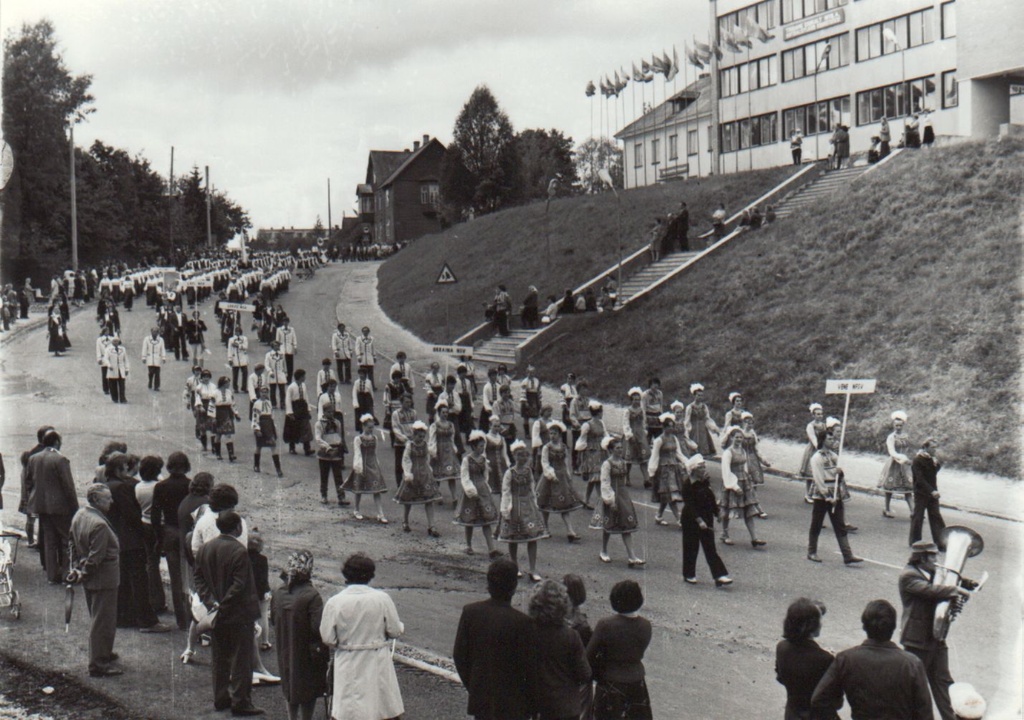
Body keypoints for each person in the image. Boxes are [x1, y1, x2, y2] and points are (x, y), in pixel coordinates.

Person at [193, 511, 265, 716]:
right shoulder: (239, 551)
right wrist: (223, 605)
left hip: (216, 613)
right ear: (237, 528)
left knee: (219, 657)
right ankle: (241, 701)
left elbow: (198, 579)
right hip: (238, 613)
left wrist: (212, 603)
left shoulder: (206, 548)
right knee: (241, 659)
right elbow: (239, 584)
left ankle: (221, 697)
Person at [812, 599, 933, 720]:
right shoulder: (912, 664)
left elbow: (819, 700)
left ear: (864, 626)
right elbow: (925, 713)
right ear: (893, 627)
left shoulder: (845, 659)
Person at [319, 553, 405, 720]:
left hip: (348, 659)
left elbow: (328, 638)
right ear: (370, 575)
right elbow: (394, 630)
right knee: (380, 708)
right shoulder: (382, 598)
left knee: (351, 710)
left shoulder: (335, 602)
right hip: (376, 659)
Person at [899, 540, 976, 720]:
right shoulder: (908, 576)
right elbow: (930, 590)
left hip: (936, 636)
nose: (937, 558)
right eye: (932, 555)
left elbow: (950, 579)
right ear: (921, 557)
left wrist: (968, 584)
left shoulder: (933, 571)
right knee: (914, 687)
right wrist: (956, 590)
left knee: (944, 682)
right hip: (916, 639)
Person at [453, 558, 538, 720]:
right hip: (514, 704)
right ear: (513, 587)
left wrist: (474, 686)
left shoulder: (471, 612)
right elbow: (530, 669)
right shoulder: (523, 623)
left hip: (482, 698)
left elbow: (460, 656)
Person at [68, 484, 123, 677]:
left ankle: (103, 652)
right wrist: (85, 570)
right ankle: (98, 664)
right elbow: (96, 556)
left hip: (91, 578)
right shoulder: (99, 524)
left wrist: (76, 567)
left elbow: (72, 543)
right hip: (104, 578)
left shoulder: (80, 514)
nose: (111, 501)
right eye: (108, 498)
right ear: (97, 501)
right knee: (103, 621)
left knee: (98, 617)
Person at [271, 550, 327, 720]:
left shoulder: (279, 592)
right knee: (307, 691)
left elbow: (273, 619)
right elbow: (318, 628)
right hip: (306, 650)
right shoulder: (312, 595)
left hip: (285, 646)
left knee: (289, 686)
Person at [587, 580, 653, 720]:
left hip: (611, 681)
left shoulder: (605, 625)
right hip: (637, 682)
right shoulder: (646, 625)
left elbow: (589, 654)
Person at [529, 580, 591, 720]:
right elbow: (585, 674)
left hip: (539, 705)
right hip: (566, 706)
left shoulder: (528, 632)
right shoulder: (570, 635)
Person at [25, 429, 78, 584]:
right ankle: (66, 573)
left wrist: (35, 497)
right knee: (66, 540)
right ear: (57, 442)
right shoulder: (60, 459)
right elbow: (68, 486)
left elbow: (28, 482)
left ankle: (51, 575)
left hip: (41, 506)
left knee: (49, 541)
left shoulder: (34, 458)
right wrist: (75, 508)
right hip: (60, 507)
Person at [807, 424, 862, 565]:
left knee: (840, 524)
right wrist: (827, 496)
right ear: (823, 440)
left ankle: (847, 555)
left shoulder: (835, 456)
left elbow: (840, 477)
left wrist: (840, 472)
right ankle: (812, 552)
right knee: (817, 523)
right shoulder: (816, 458)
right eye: (830, 439)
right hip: (822, 495)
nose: (833, 441)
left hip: (835, 492)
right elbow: (819, 480)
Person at [774, 598, 836, 719]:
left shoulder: (782, 647)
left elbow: (780, 677)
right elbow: (833, 698)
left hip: (792, 713)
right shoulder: (824, 659)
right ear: (810, 625)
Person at [151, 451, 192, 630]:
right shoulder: (190, 485)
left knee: (175, 577)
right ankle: (192, 617)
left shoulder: (161, 486)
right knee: (189, 576)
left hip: (168, 530)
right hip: (186, 532)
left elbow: (155, 515)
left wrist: (159, 537)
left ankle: (181, 620)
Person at [500, 441, 550, 581]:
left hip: (528, 504)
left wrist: (535, 504)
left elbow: (532, 488)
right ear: (515, 456)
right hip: (515, 505)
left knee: (532, 536)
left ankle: (532, 569)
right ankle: (514, 565)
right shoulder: (510, 472)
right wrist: (506, 509)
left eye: (524, 456)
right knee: (514, 536)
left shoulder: (528, 471)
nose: (522, 458)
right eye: (519, 456)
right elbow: (506, 491)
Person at [589, 436, 643, 567]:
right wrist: (609, 500)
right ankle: (604, 550)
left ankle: (632, 556)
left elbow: (623, 481)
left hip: (623, 496)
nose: (620, 450)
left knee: (626, 525)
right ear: (611, 450)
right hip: (612, 495)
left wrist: (624, 496)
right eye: (617, 448)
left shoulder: (623, 462)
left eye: (621, 447)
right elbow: (605, 482)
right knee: (609, 525)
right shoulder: (607, 464)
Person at [680, 455, 731, 586]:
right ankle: (689, 574)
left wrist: (717, 512)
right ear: (693, 469)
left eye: (704, 466)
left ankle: (719, 575)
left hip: (706, 517)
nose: (703, 469)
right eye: (700, 467)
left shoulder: (704, 482)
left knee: (710, 548)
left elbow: (710, 498)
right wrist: (699, 520)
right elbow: (689, 505)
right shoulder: (688, 484)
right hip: (691, 519)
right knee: (691, 547)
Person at [455, 430, 501, 557]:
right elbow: (464, 476)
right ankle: (468, 546)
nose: (482, 448)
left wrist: (485, 487)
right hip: (471, 491)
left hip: (482, 490)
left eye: (483, 446)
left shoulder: (483, 459)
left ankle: (491, 549)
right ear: (474, 446)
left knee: (486, 519)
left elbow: (485, 474)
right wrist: (470, 490)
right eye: (480, 446)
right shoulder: (467, 460)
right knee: (470, 520)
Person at [719, 426, 766, 548]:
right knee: (728, 508)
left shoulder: (743, 450)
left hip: (744, 481)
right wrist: (734, 486)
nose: (739, 439)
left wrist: (747, 479)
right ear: (731, 438)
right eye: (736, 437)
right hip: (732, 482)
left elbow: (745, 467)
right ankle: (725, 534)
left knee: (748, 510)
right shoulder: (728, 453)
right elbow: (726, 471)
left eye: (741, 437)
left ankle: (754, 538)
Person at [537, 420, 582, 542]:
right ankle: (545, 528)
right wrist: (550, 474)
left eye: (555, 433)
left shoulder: (563, 447)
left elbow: (566, 461)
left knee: (564, 505)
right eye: (550, 433)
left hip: (561, 477)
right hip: (549, 478)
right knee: (546, 504)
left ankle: (570, 531)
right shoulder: (547, 447)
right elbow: (544, 463)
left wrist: (568, 474)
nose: (552, 436)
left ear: (560, 435)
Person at [397, 420, 443, 535]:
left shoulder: (425, 445)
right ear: (414, 435)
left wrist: (429, 470)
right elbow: (406, 459)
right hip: (413, 474)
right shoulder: (410, 445)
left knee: (429, 500)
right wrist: (408, 473)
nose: (421, 438)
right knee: (408, 500)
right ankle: (405, 521)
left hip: (424, 474)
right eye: (419, 436)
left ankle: (431, 526)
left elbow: (427, 458)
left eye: (423, 436)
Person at [344, 414, 389, 523]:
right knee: (359, 488)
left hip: (372, 465)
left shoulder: (375, 438)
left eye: (372, 427)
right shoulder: (358, 439)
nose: (371, 429)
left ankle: (380, 513)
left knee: (376, 489)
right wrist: (358, 467)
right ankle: (356, 510)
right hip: (362, 465)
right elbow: (357, 453)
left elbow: (375, 452)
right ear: (363, 426)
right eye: (369, 427)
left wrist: (376, 464)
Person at [648, 413, 686, 526]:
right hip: (663, 470)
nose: (671, 428)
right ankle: (679, 519)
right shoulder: (659, 440)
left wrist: (688, 463)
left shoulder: (674, 438)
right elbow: (654, 456)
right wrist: (652, 471)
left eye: (672, 426)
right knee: (671, 495)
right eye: (668, 426)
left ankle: (659, 516)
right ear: (664, 427)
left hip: (674, 468)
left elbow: (679, 454)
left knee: (668, 494)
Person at [314, 389, 349, 506]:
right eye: (329, 412)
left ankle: (341, 497)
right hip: (325, 452)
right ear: (324, 412)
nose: (331, 414)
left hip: (336, 452)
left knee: (338, 476)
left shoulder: (337, 422)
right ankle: (324, 495)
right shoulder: (319, 424)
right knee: (324, 476)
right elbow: (318, 439)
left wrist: (339, 445)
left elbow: (339, 435)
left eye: (332, 412)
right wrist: (327, 447)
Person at [910, 437, 946, 548]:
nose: (935, 450)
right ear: (925, 447)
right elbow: (920, 479)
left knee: (936, 516)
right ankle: (915, 541)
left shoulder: (932, 459)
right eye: (932, 448)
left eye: (935, 447)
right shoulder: (917, 460)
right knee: (918, 516)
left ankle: (941, 541)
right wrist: (931, 491)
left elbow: (933, 474)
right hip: (921, 492)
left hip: (932, 491)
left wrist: (937, 465)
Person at [879, 410, 914, 519]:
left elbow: (909, 448)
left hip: (904, 465)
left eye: (900, 425)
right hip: (894, 463)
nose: (898, 427)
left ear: (903, 425)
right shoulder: (891, 437)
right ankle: (887, 508)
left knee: (907, 488)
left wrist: (908, 459)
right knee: (890, 488)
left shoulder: (906, 436)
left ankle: (913, 511)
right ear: (893, 425)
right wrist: (900, 457)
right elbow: (892, 451)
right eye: (896, 425)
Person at [575, 400, 606, 508]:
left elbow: (605, 436)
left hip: (601, 451)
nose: (602, 414)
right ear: (598, 412)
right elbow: (582, 440)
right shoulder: (587, 425)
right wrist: (580, 455)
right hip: (591, 452)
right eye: (601, 412)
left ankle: (586, 499)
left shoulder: (602, 423)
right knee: (596, 476)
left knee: (594, 478)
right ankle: (601, 501)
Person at [429, 401, 460, 506]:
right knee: (438, 474)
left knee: (451, 475)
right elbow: (432, 439)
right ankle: (437, 494)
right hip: (439, 450)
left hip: (449, 451)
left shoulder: (451, 425)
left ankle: (455, 497)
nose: (445, 414)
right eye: (443, 412)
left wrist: (454, 449)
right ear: (439, 413)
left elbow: (452, 438)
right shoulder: (434, 425)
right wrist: (433, 452)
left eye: (446, 412)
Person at [799, 403, 827, 503]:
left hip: (822, 449)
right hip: (813, 450)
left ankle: (817, 493)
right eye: (817, 414)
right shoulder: (810, 426)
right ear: (813, 415)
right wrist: (819, 448)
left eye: (821, 414)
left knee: (821, 473)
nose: (820, 416)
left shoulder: (824, 425)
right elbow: (813, 438)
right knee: (810, 474)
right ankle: (808, 494)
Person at [283, 369, 314, 456]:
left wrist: (308, 409)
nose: (305, 378)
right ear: (300, 377)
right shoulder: (291, 387)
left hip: (302, 407)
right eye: (303, 376)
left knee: (306, 427)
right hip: (295, 407)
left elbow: (306, 397)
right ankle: (292, 448)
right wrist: (290, 413)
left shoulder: (303, 385)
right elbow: (288, 400)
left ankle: (307, 449)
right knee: (293, 428)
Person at [211, 376, 242, 462]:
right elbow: (212, 405)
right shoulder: (215, 393)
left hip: (228, 413)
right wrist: (213, 417)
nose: (228, 384)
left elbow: (233, 403)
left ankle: (231, 454)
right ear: (223, 384)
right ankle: (218, 454)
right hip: (218, 413)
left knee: (228, 434)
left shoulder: (229, 392)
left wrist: (236, 414)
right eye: (227, 383)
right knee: (218, 434)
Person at [684, 384, 719, 457]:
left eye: (701, 395)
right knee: (693, 448)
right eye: (698, 395)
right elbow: (687, 420)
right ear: (694, 396)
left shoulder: (704, 406)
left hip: (703, 429)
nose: (700, 397)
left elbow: (707, 418)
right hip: (693, 429)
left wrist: (714, 428)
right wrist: (686, 430)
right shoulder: (690, 407)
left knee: (704, 448)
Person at [105, 337, 130, 404]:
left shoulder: (123, 349)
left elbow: (126, 359)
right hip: (113, 369)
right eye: (114, 341)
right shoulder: (108, 349)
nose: (116, 342)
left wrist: (127, 368)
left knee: (122, 385)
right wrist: (109, 365)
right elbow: (106, 359)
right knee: (113, 385)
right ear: (112, 342)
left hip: (121, 369)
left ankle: (122, 398)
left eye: (117, 341)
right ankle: (115, 398)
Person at [264, 341, 288, 409]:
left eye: (278, 346)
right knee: (272, 390)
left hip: (281, 373)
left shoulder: (282, 354)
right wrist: (270, 372)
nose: (277, 347)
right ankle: (273, 404)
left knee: (282, 391)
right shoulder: (268, 355)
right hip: (273, 374)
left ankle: (282, 403)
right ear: (273, 347)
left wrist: (285, 373)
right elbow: (266, 364)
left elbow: (284, 364)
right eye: (276, 346)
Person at [141, 326, 166, 391]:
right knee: (151, 372)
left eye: (156, 332)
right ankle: (150, 381)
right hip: (150, 358)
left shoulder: (161, 340)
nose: (155, 333)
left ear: (158, 333)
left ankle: (156, 386)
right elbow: (144, 348)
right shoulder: (146, 339)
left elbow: (162, 349)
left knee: (157, 373)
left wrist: (163, 357)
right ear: (151, 332)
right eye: (153, 331)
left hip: (157, 358)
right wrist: (144, 357)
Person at [275, 316, 298, 384]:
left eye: (287, 322)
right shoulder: (279, 330)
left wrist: (295, 347)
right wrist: (277, 348)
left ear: (288, 322)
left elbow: (294, 338)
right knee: (282, 364)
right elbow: (277, 339)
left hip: (289, 349)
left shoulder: (292, 329)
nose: (285, 323)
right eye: (284, 322)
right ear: (282, 322)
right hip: (282, 348)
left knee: (290, 365)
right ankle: (282, 378)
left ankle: (289, 379)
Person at [228, 326, 250, 393]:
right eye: (236, 331)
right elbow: (229, 350)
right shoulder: (231, 339)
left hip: (243, 358)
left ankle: (244, 387)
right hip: (235, 358)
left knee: (245, 373)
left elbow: (245, 347)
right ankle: (235, 388)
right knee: (235, 374)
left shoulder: (244, 338)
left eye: (238, 331)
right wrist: (230, 359)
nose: (237, 333)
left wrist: (238, 346)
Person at [354, 326, 377, 390]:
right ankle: (362, 386)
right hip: (362, 358)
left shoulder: (372, 339)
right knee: (362, 373)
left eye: (366, 331)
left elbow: (373, 348)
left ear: (368, 332)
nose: (365, 332)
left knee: (370, 373)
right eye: (364, 331)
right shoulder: (359, 338)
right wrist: (358, 356)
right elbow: (357, 348)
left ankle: (372, 386)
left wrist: (374, 356)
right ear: (362, 332)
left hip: (370, 358)